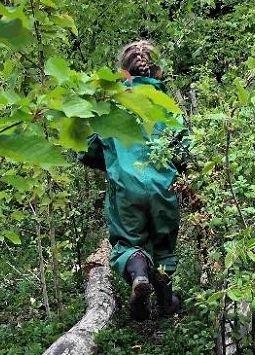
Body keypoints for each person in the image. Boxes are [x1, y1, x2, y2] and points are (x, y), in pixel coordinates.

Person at [80, 40, 185, 321]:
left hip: (126, 186)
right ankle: (166, 299)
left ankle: (139, 276)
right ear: (158, 70)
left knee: (127, 242)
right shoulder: (166, 104)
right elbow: (184, 148)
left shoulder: (111, 104)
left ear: (123, 71)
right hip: (164, 186)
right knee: (163, 244)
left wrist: (115, 163)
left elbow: (89, 148)